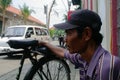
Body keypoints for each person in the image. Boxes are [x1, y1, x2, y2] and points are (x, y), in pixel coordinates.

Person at [38, 9, 120, 80]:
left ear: (86, 34)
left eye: (69, 33)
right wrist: (45, 43)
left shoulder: (105, 67)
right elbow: (63, 52)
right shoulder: (83, 58)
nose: (65, 39)